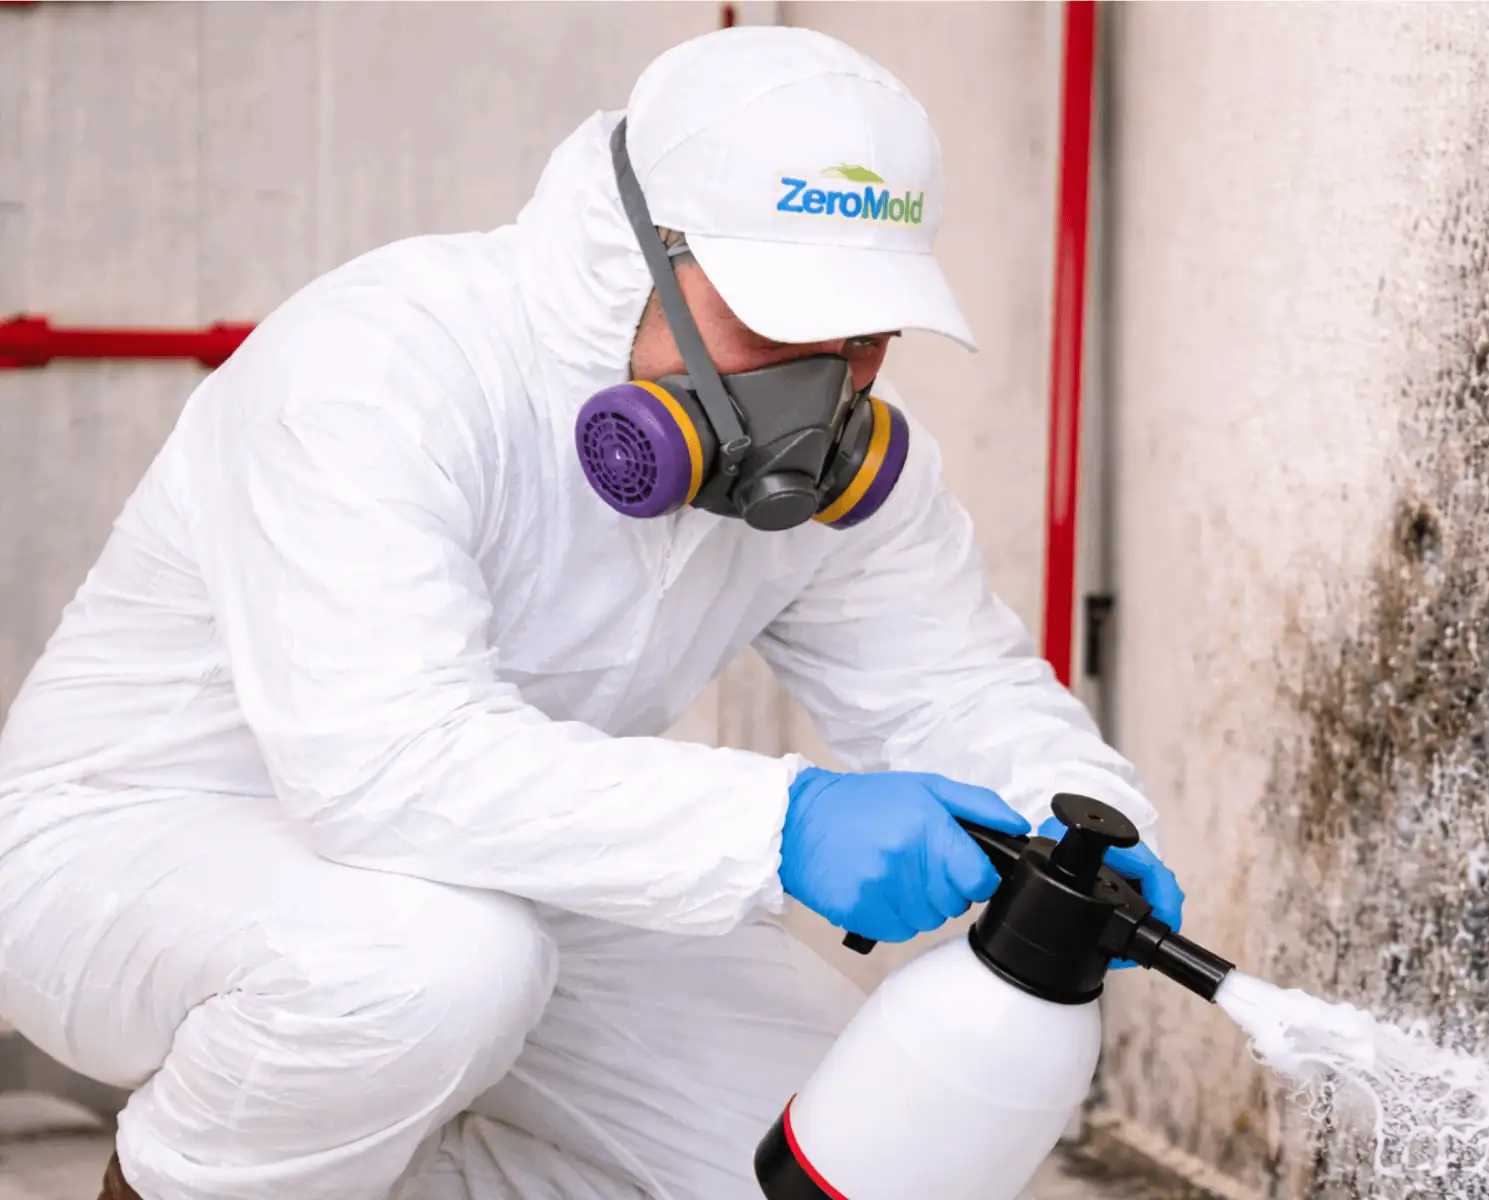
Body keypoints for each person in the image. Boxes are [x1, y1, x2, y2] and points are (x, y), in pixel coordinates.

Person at [0, 25, 1183, 1200]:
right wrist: (784, 825)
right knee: (424, 969)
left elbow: (951, 688)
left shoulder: (845, 478)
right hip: (135, 843)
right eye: (777, 322)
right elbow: (379, 766)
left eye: (862, 335)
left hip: (523, 865)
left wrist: (1086, 830)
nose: (820, 387)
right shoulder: (378, 367)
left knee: (875, 1144)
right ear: (641, 253)